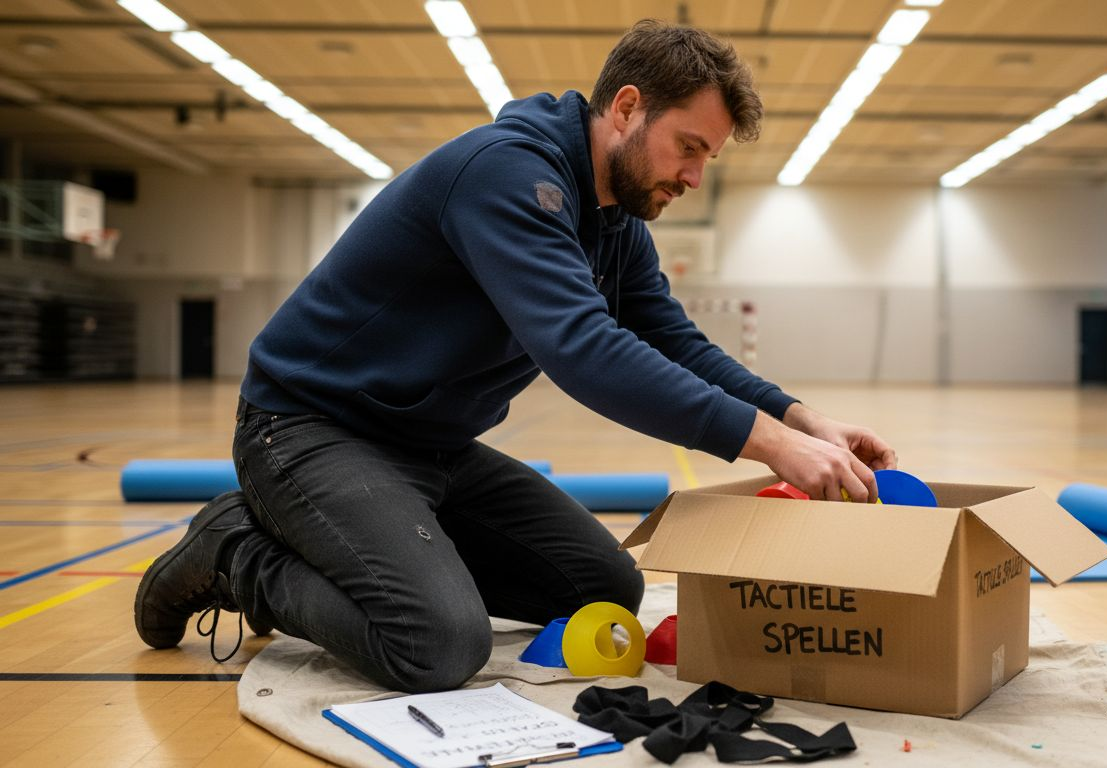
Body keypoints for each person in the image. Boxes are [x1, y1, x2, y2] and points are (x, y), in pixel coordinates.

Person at [134, 19, 896, 693]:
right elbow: (584, 350)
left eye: (706, 159)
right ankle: (235, 550)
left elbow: (675, 342)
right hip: (308, 429)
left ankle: (392, 545)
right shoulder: (506, 173)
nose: (693, 178)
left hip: (427, 445)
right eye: (688, 148)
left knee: (602, 587)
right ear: (627, 108)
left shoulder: (614, 220)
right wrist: (768, 444)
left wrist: (803, 418)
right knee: (436, 644)